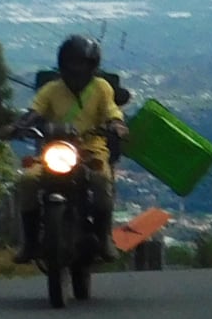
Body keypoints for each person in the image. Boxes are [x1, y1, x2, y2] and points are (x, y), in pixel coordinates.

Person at [9, 35, 128, 264]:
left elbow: (112, 111)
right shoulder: (51, 89)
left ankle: (104, 238)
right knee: (27, 180)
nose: (77, 68)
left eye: (82, 63)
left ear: (92, 66)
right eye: (72, 62)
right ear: (63, 63)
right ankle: (30, 242)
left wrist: (117, 125)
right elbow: (34, 111)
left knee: (102, 180)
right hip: (54, 150)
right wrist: (19, 126)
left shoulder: (101, 88)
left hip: (91, 149)